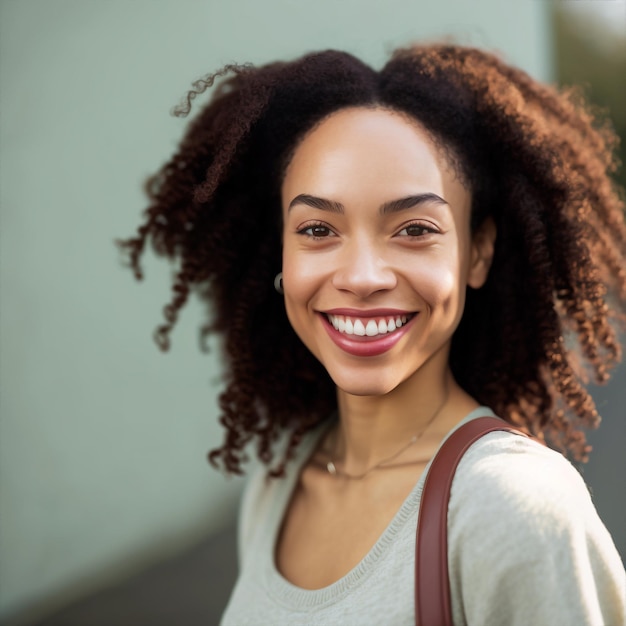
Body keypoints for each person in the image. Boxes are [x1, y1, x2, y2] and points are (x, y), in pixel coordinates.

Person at [119, 43, 626, 625]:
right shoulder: (279, 483)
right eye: (317, 228)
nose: (361, 278)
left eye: (413, 228)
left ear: (477, 252)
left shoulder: (513, 510)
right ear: (280, 251)